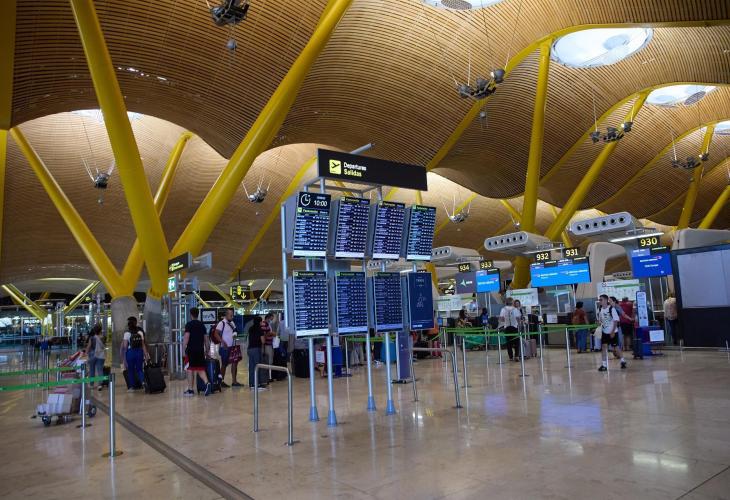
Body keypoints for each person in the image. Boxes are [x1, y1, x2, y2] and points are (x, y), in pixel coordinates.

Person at [183, 307, 211, 396]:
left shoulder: (189, 325)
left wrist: (183, 349)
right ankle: (207, 383)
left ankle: (190, 390)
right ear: (198, 314)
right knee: (200, 368)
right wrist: (207, 350)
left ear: (191, 315)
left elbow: (186, 337)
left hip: (191, 350)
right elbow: (206, 339)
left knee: (189, 369)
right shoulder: (202, 325)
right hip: (200, 350)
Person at [597, 294, 627, 371]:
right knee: (604, 347)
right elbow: (600, 320)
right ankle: (604, 365)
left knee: (616, 347)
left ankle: (622, 361)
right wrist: (599, 323)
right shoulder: (600, 309)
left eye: (601, 300)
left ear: (606, 300)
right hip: (605, 332)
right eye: (599, 300)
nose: (600, 301)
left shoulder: (611, 309)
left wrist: (613, 331)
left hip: (613, 332)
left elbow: (616, 320)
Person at [120, 316, 149, 390]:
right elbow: (143, 345)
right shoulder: (140, 332)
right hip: (139, 352)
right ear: (136, 323)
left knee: (130, 370)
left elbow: (125, 346)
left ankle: (132, 387)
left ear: (128, 324)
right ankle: (143, 382)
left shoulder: (126, 333)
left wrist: (124, 358)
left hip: (130, 353)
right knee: (139, 369)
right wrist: (146, 355)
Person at [216, 308, 242, 387]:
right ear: (226, 315)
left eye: (232, 315)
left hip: (233, 347)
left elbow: (234, 331)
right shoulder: (221, 323)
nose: (232, 317)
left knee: (235, 363)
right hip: (225, 348)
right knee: (224, 364)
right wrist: (222, 342)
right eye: (231, 315)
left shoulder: (232, 323)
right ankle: (221, 381)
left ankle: (234, 381)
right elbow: (216, 334)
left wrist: (235, 335)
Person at [247, 316, 267, 390]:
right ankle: (257, 384)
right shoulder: (260, 329)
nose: (262, 323)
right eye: (261, 321)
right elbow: (263, 341)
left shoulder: (250, 328)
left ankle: (252, 383)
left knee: (252, 367)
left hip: (250, 349)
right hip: (256, 349)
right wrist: (265, 336)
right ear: (259, 322)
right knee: (257, 366)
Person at [499, 297, 522, 361]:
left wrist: (504, 321)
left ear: (506, 302)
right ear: (512, 302)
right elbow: (518, 319)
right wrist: (519, 326)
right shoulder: (515, 309)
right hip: (514, 327)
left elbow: (501, 319)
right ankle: (516, 356)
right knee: (516, 342)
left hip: (507, 327)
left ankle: (511, 357)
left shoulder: (503, 309)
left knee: (509, 343)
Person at [84, 324, 105, 392]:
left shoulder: (92, 338)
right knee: (100, 370)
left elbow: (89, 346)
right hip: (101, 355)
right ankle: (100, 385)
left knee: (92, 369)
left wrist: (86, 353)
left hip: (93, 355)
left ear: (94, 331)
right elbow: (104, 346)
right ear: (100, 330)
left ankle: (91, 384)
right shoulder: (103, 337)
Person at [262, 313, 276, 380]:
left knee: (270, 360)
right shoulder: (264, 324)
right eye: (271, 318)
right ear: (268, 318)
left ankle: (269, 376)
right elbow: (264, 334)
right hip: (267, 345)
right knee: (269, 361)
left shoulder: (268, 324)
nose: (272, 320)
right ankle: (268, 377)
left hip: (269, 344)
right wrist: (271, 333)